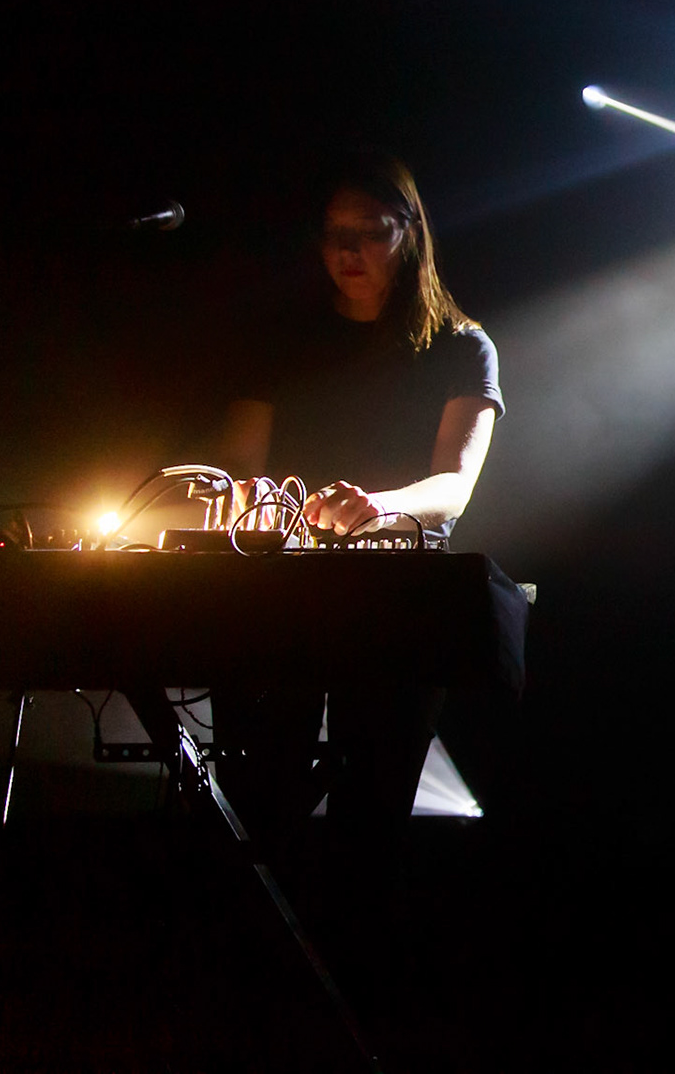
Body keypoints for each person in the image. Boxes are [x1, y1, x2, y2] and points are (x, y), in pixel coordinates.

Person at [214, 148, 504, 846]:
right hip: (277, 587)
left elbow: (453, 486)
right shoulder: (284, 338)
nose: (347, 249)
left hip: (397, 598)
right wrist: (241, 490)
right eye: (334, 232)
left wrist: (376, 506)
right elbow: (236, 462)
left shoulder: (463, 347)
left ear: (411, 233)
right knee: (253, 807)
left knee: (368, 822)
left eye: (370, 231)